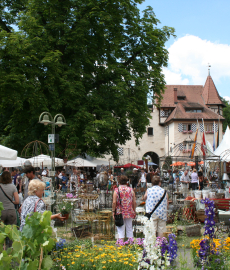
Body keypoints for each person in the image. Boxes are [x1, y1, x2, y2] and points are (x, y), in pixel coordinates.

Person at [112, 175, 136, 241]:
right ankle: (131, 244)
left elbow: (114, 202)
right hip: (129, 211)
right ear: (126, 182)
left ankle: (121, 245)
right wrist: (134, 210)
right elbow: (134, 202)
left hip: (119, 211)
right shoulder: (131, 190)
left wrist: (113, 211)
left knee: (120, 230)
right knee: (129, 228)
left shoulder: (116, 190)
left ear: (118, 182)